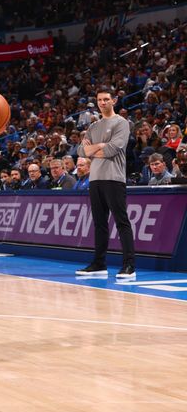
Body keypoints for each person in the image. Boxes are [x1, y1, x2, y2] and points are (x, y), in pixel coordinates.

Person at [76, 88, 136, 279]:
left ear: (114, 101)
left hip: (114, 178)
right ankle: (99, 264)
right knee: (99, 224)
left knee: (121, 222)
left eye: (106, 99)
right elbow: (80, 151)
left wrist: (93, 150)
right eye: (100, 100)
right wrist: (99, 147)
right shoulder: (94, 126)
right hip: (95, 180)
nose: (102, 102)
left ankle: (129, 266)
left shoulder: (122, 123)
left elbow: (111, 150)